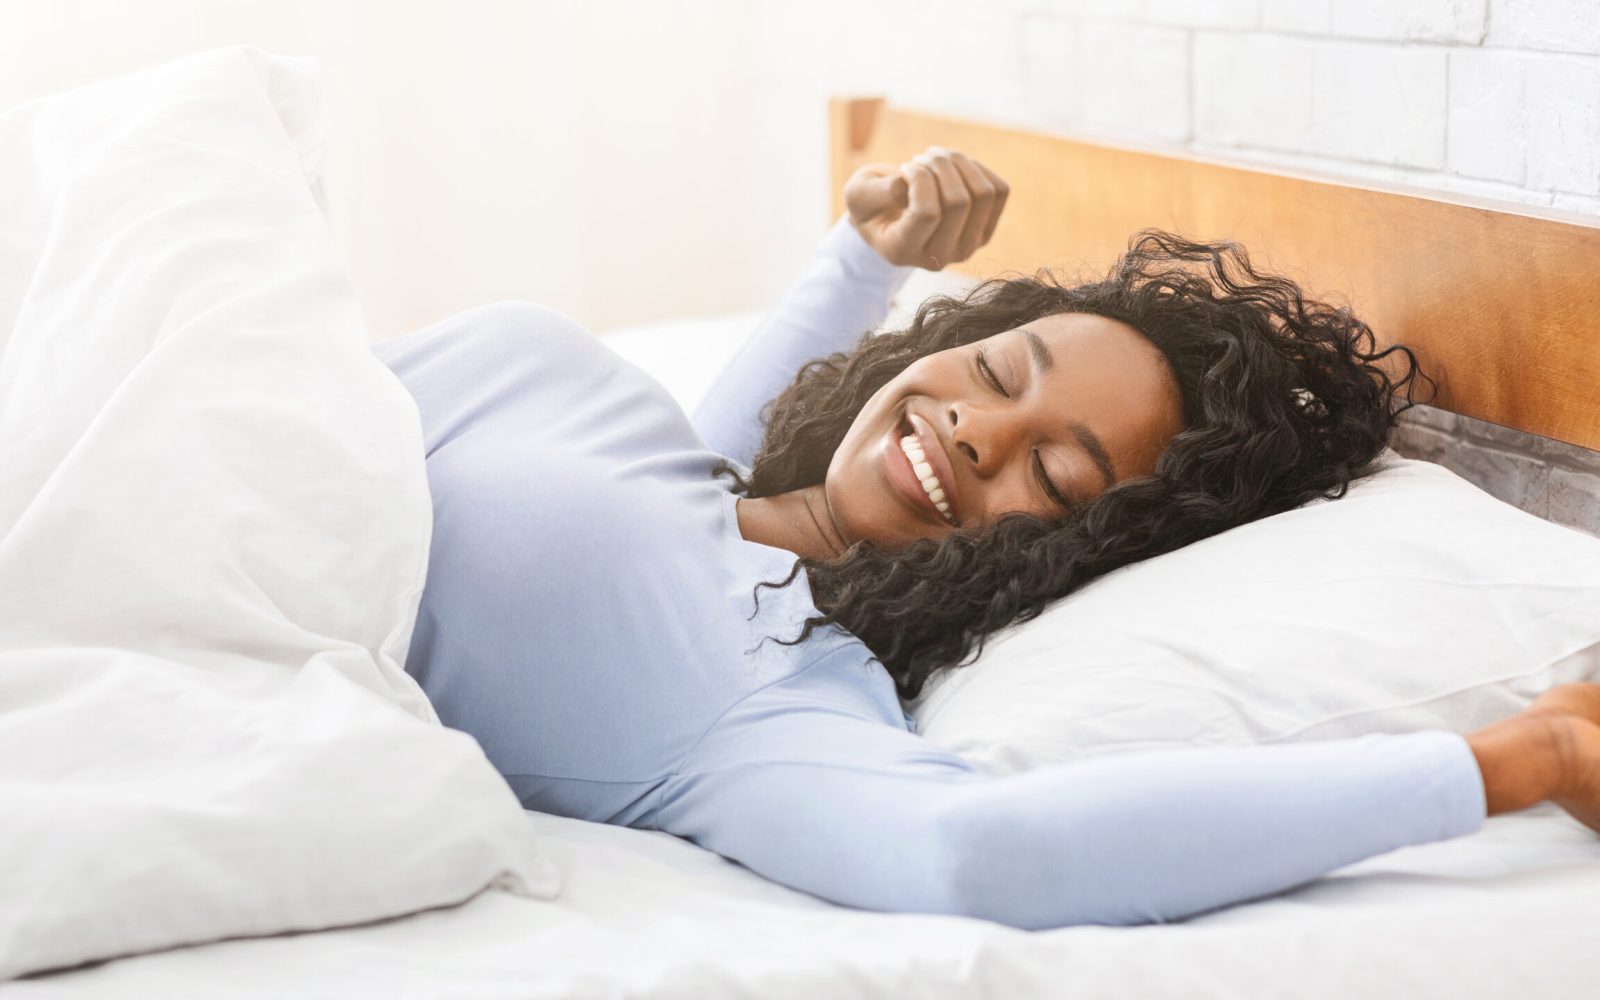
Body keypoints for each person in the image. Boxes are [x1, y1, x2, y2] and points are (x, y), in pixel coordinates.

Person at [373, 146, 1600, 927]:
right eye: (999, 369)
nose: (975, 431)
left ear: (1080, 552)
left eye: (1054, 468)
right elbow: (691, 476)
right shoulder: (657, 453)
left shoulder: (761, 701)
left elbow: (974, 853)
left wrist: (1506, 763)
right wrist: (858, 259)